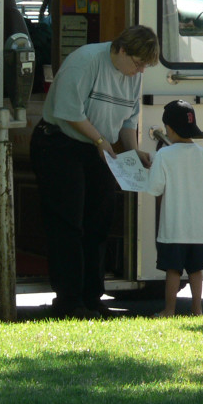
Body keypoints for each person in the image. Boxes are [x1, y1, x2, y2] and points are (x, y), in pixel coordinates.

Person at [30, 25, 160, 319]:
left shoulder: (131, 75)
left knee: (99, 221)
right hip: (60, 143)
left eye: (145, 67)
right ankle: (69, 299)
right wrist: (100, 140)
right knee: (68, 224)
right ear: (122, 49)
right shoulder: (86, 60)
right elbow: (69, 111)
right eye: (138, 64)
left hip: (96, 147)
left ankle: (92, 297)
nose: (139, 72)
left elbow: (128, 120)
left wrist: (132, 150)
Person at [146, 100, 203, 316]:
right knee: (196, 270)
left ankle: (169, 310)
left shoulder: (164, 155)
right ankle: (197, 309)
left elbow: (154, 188)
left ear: (168, 128)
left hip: (173, 227)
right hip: (199, 228)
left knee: (173, 270)